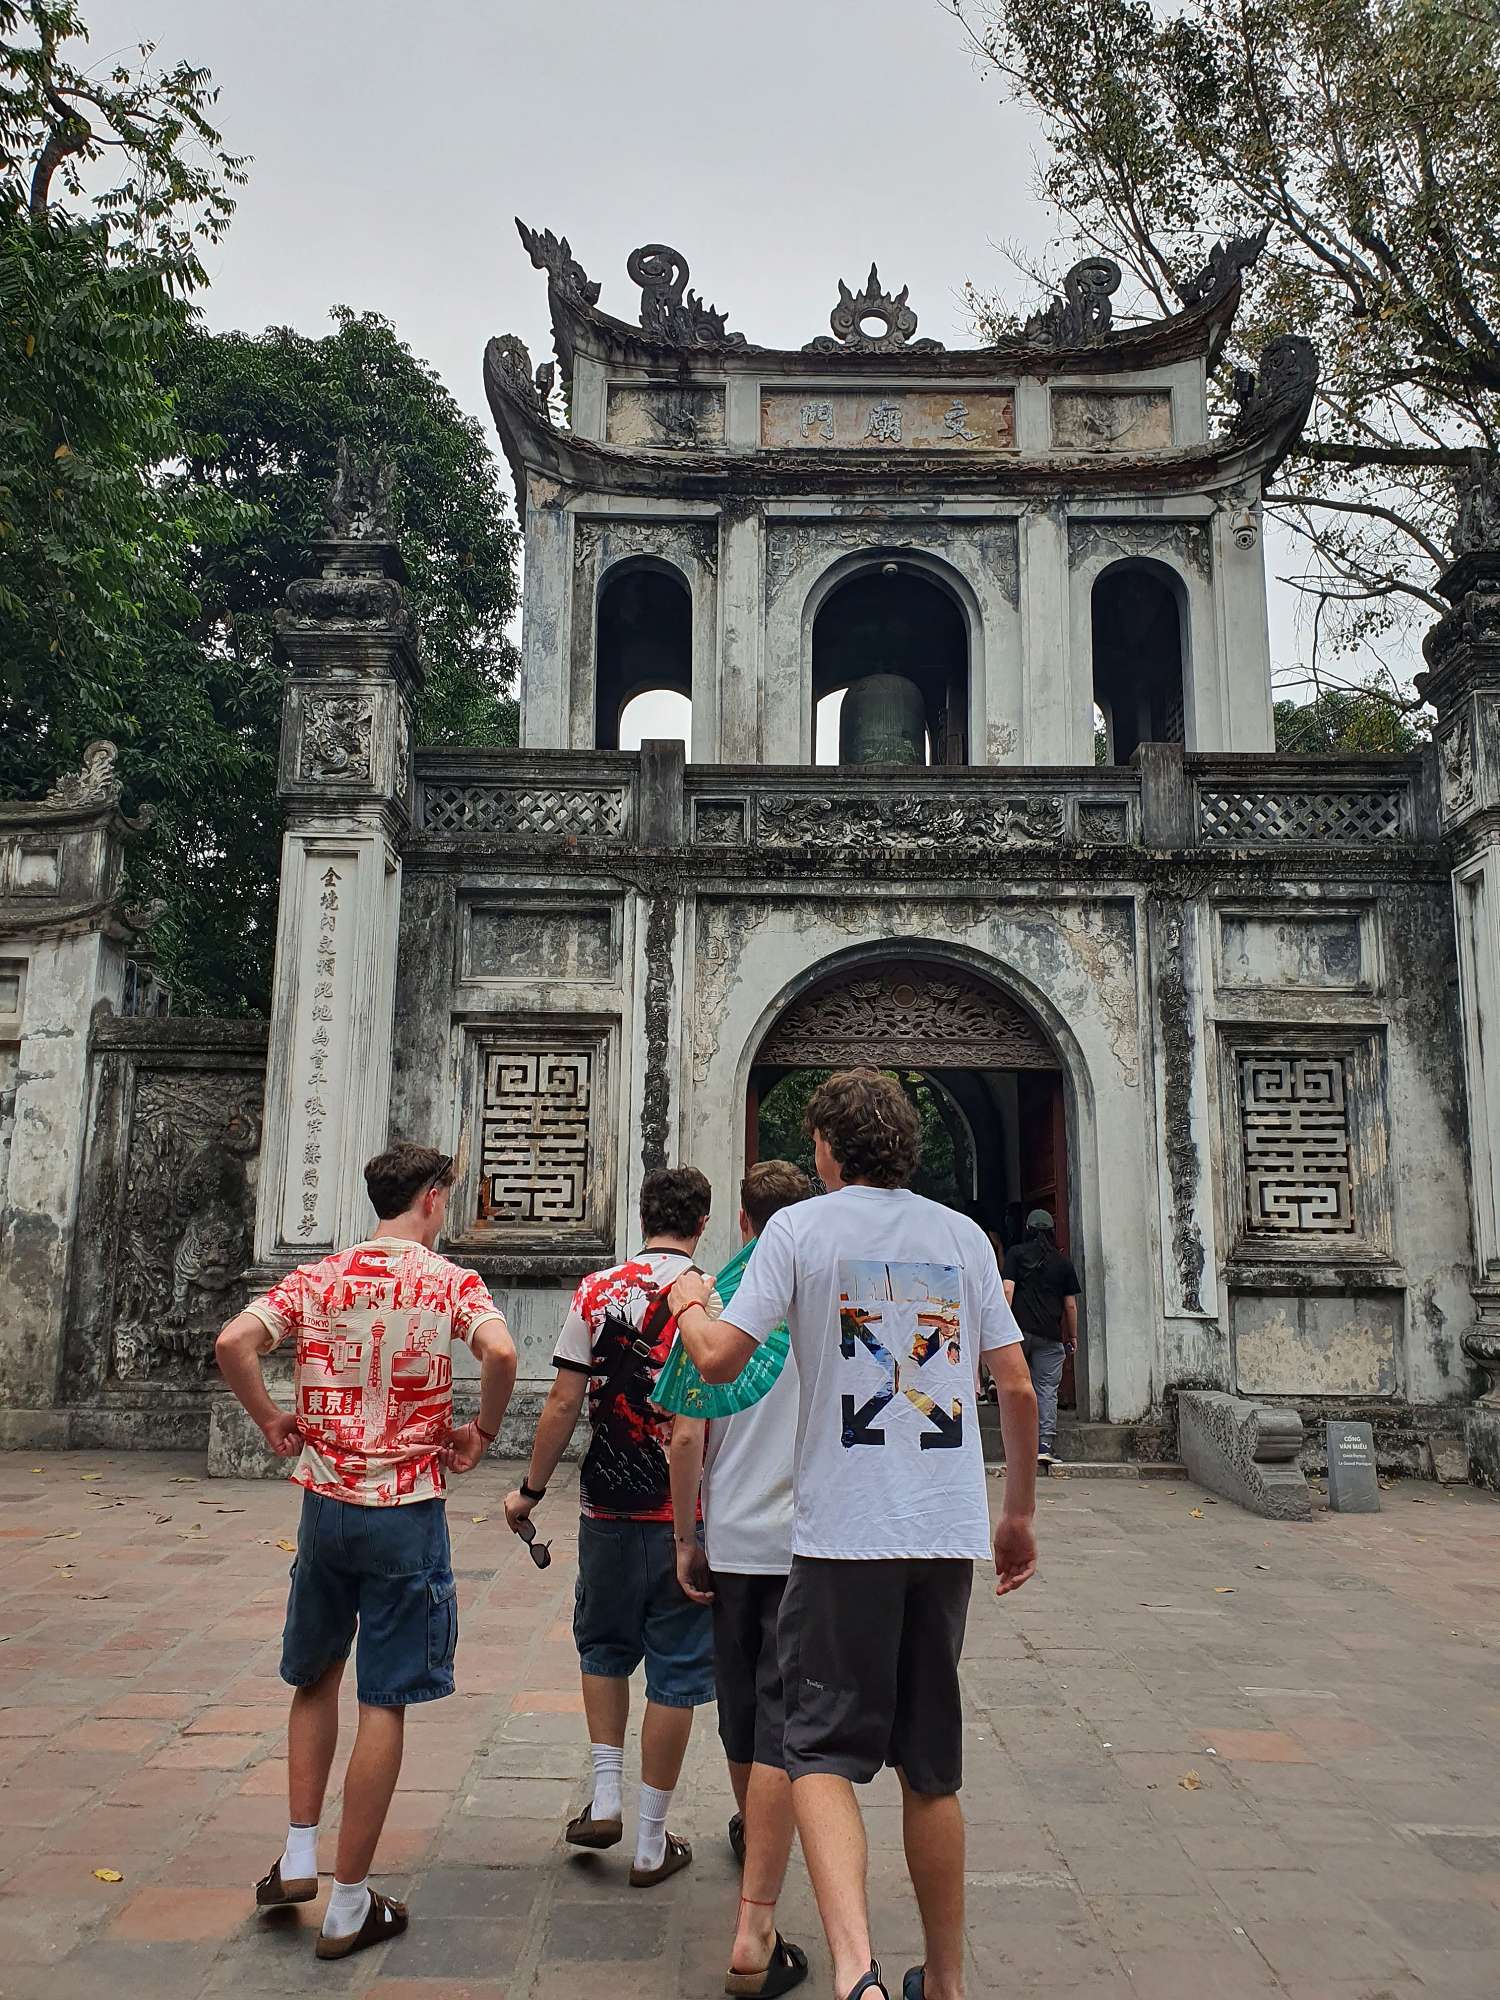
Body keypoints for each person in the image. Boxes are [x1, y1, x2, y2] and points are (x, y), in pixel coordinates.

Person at [668, 1069, 1040, 2000]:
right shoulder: (963, 1237)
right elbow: (1018, 1385)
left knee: (817, 1750)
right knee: (931, 1768)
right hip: (941, 1532)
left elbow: (718, 1361)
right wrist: (1018, 1515)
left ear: (828, 1150)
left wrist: (685, 1300)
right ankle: (945, 1982)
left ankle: (853, 1973)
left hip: (842, 1536)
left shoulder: (799, 1230)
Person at [215, 1143, 516, 1961]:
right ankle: (350, 1903)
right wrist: (482, 1431)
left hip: (325, 1506)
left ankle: (298, 1855)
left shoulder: (320, 1278)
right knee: (383, 1697)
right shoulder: (449, 1282)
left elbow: (234, 1342)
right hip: (405, 1508)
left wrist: (271, 1419)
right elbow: (501, 1353)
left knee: (316, 1677)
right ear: (431, 1199)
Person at [502, 1165, 718, 1887]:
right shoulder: (713, 1297)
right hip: (683, 1510)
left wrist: (531, 1490)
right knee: (677, 1669)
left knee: (602, 1645)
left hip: (606, 1504)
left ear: (641, 1215)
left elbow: (563, 1403)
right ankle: (653, 1841)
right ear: (703, 1223)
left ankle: (604, 1795)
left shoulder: (596, 1292)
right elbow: (706, 1420)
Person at [670, 1159, 812, 1998]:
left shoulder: (717, 1303)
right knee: (784, 1718)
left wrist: (685, 1536)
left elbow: (688, 1434)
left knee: (742, 1708)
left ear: (745, 1222)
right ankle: (761, 1899)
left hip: (732, 1540)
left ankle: (751, 1835)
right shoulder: (824, 1296)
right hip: (806, 1544)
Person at [1001, 1208, 1081, 1468]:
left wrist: (1001, 1326)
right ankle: (1044, 1446)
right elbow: (1070, 1305)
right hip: (1050, 1335)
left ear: (1027, 1229)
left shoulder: (1016, 1254)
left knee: (1013, 1386)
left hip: (1018, 1332)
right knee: (1046, 1390)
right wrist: (1072, 1335)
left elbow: (1008, 1291)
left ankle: (1015, 1445)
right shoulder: (1063, 1263)